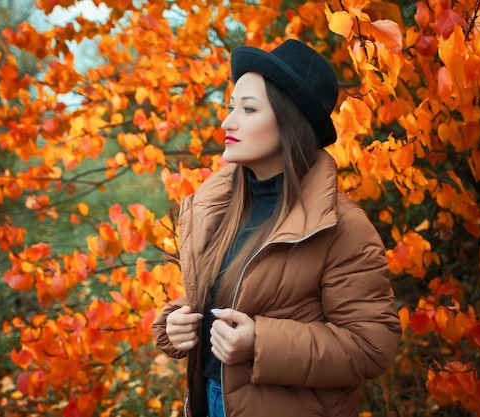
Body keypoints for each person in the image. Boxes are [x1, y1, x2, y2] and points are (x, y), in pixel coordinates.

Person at [152, 39, 401, 417]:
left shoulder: (342, 228)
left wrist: (260, 343)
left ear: (290, 123)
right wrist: (175, 323)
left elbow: (371, 346)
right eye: (231, 107)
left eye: (248, 109)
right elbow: (234, 298)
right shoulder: (217, 207)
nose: (227, 121)